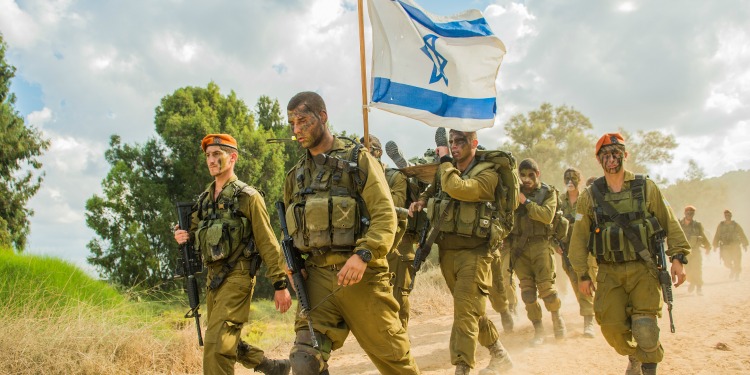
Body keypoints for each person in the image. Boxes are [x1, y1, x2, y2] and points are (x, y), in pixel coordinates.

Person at [283, 92, 419, 375]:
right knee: (305, 360)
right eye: (292, 123)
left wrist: (364, 254)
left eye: (303, 121)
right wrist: (291, 265)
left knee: (397, 364)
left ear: (323, 116)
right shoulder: (295, 175)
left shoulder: (359, 160)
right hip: (318, 278)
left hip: (362, 277)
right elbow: (291, 228)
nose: (296, 130)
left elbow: (385, 214)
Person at [569, 132, 690, 375]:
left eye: (615, 153)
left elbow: (669, 222)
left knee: (645, 327)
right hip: (608, 273)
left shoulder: (646, 187)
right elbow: (579, 237)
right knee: (611, 327)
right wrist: (583, 273)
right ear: (598, 160)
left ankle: (648, 366)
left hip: (643, 269)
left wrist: (678, 257)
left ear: (625, 155)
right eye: (605, 155)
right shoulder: (589, 197)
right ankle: (635, 356)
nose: (611, 159)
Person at [173, 134, 293, 375]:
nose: (211, 160)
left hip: (238, 277)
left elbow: (267, 242)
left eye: (217, 154)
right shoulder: (204, 200)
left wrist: (279, 284)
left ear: (233, 157)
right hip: (213, 281)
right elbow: (192, 234)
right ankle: (271, 367)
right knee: (224, 339)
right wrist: (181, 235)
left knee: (218, 347)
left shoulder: (248, 197)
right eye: (208, 155)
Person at [410, 129, 513, 375]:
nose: (454, 146)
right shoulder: (446, 171)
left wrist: (445, 161)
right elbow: (432, 190)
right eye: (451, 142)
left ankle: (462, 367)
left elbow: (460, 189)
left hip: (476, 253)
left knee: (465, 310)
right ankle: (499, 353)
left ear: (474, 143)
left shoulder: (488, 174)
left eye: (460, 142)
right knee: (471, 309)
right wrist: (421, 202)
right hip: (448, 251)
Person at [505, 158, 567, 345]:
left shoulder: (548, 193)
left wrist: (525, 202)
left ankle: (557, 319)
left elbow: (547, 216)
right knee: (528, 293)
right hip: (519, 250)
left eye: (530, 175)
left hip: (541, 246)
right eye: (522, 175)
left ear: (537, 174)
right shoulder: (513, 194)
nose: (526, 179)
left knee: (547, 290)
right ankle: (538, 329)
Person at [362, 135, 418, 329]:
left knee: (398, 296)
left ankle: (402, 339)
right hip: (373, 243)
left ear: (378, 153)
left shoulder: (396, 177)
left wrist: (376, 181)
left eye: (369, 151)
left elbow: (394, 206)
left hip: (399, 244)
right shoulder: (358, 178)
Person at [558, 167, 598, 337]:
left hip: (586, 248)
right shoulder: (559, 201)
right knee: (576, 283)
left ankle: (589, 319)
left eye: (573, 178)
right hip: (567, 249)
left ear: (579, 180)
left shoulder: (586, 199)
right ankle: (590, 313)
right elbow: (552, 224)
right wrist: (555, 243)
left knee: (587, 279)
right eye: (567, 178)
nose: (570, 182)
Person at [679, 205, 711, 294]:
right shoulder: (679, 224)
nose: (689, 215)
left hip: (695, 251)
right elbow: (675, 236)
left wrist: (708, 246)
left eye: (691, 213)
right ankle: (692, 282)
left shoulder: (697, 225)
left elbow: (703, 236)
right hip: (684, 252)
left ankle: (699, 287)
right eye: (688, 213)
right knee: (687, 270)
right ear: (685, 213)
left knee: (697, 269)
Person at [712, 209, 748, 281]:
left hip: (735, 246)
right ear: (724, 216)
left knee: (737, 261)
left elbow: (741, 234)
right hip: (725, 247)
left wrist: (745, 244)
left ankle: (737, 275)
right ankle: (732, 269)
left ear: (731, 216)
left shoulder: (735, 225)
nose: (727, 216)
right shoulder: (721, 225)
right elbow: (717, 235)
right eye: (726, 215)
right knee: (726, 262)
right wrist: (715, 245)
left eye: (729, 215)